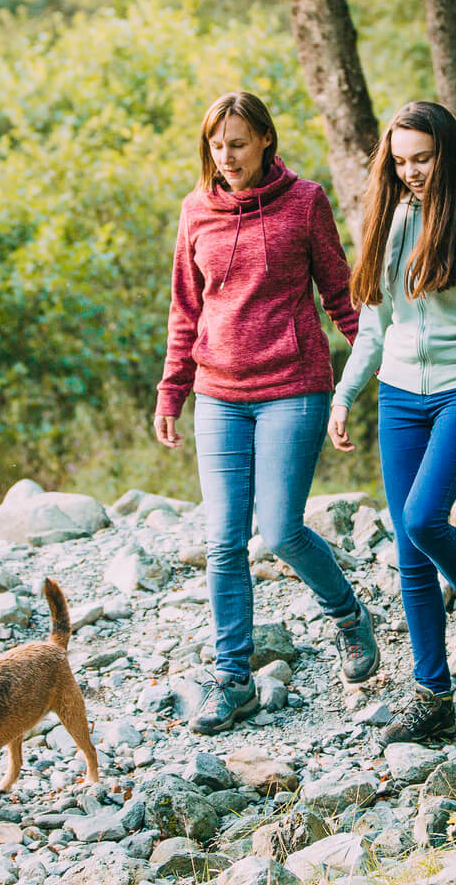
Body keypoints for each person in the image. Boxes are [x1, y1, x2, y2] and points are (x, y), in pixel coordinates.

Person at [155, 90, 378, 736]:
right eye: (216, 146)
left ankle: (347, 616)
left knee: (278, 531)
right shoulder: (195, 211)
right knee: (223, 539)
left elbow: (340, 295)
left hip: (292, 386)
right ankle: (233, 680)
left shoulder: (304, 203)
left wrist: (363, 372)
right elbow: (184, 310)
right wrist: (173, 390)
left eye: (238, 144)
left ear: (265, 143)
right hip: (218, 393)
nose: (225, 156)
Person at [329, 101, 456, 750]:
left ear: (448, 153)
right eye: (401, 160)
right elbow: (375, 324)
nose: (412, 172)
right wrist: (344, 394)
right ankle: (433, 696)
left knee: (422, 518)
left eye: (424, 158)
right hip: (397, 395)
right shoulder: (390, 220)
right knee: (409, 552)